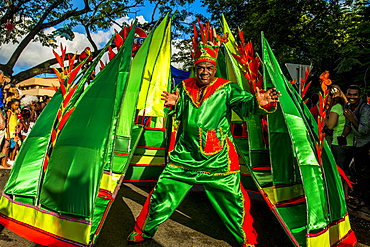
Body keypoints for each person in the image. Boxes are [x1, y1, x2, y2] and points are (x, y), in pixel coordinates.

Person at [127, 25, 281, 247]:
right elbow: (178, 112)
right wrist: (174, 104)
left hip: (218, 160)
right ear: (195, 67)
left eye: (209, 67)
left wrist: (258, 103)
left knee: (234, 204)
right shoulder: (183, 86)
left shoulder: (227, 89)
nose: (205, 72)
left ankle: (247, 241)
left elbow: (244, 105)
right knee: (161, 195)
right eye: (201, 67)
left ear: (214, 68)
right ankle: (142, 232)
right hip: (184, 157)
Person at [342, 85, 370, 210]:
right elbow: (348, 124)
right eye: (350, 94)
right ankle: (359, 197)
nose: (352, 97)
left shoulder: (366, 109)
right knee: (357, 171)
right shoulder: (347, 106)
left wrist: (352, 119)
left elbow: (364, 130)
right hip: (356, 143)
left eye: (355, 95)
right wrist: (343, 137)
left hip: (366, 143)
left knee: (364, 173)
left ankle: (365, 200)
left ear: (360, 96)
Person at [325, 85, 354, 201]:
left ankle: (339, 196)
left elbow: (330, 125)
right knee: (346, 170)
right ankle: (346, 195)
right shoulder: (347, 106)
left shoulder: (336, 107)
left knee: (339, 169)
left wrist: (325, 118)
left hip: (339, 142)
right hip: (351, 142)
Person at [2, 99, 21, 168]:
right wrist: (8, 134)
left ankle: (6, 161)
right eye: (15, 105)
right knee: (5, 147)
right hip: (8, 132)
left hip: (13, 132)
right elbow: (7, 123)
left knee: (9, 148)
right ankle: (3, 162)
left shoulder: (14, 113)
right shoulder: (9, 112)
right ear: (11, 104)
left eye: (18, 105)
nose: (17, 106)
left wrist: (16, 134)